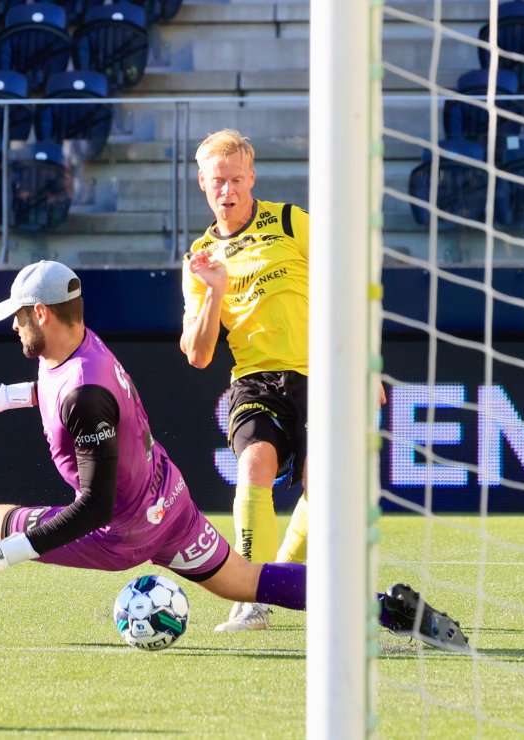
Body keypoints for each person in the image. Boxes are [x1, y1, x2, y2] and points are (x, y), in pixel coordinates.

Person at [0, 260, 469, 652]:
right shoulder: (80, 348)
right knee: (246, 581)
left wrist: (10, 550)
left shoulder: (84, 393)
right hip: (171, 503)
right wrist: (5, 395)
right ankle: (381, 606)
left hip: (124, 528)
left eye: (18, 317)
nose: (13, 327)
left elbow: (93, 506)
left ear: (45, 314)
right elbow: (65, 395)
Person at [180, 129, 315, 632]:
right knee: (255, 462)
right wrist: (214, 290)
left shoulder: (289, 220)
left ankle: (278, 576)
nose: (228, 190)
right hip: (255, 380)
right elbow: (197, 355)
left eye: (237, 178)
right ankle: (251, 599)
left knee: (325, 485)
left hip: (319, 371)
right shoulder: (200, 256)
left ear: (252, 177)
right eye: (218, 181)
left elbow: (346, 282)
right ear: (202, 183)